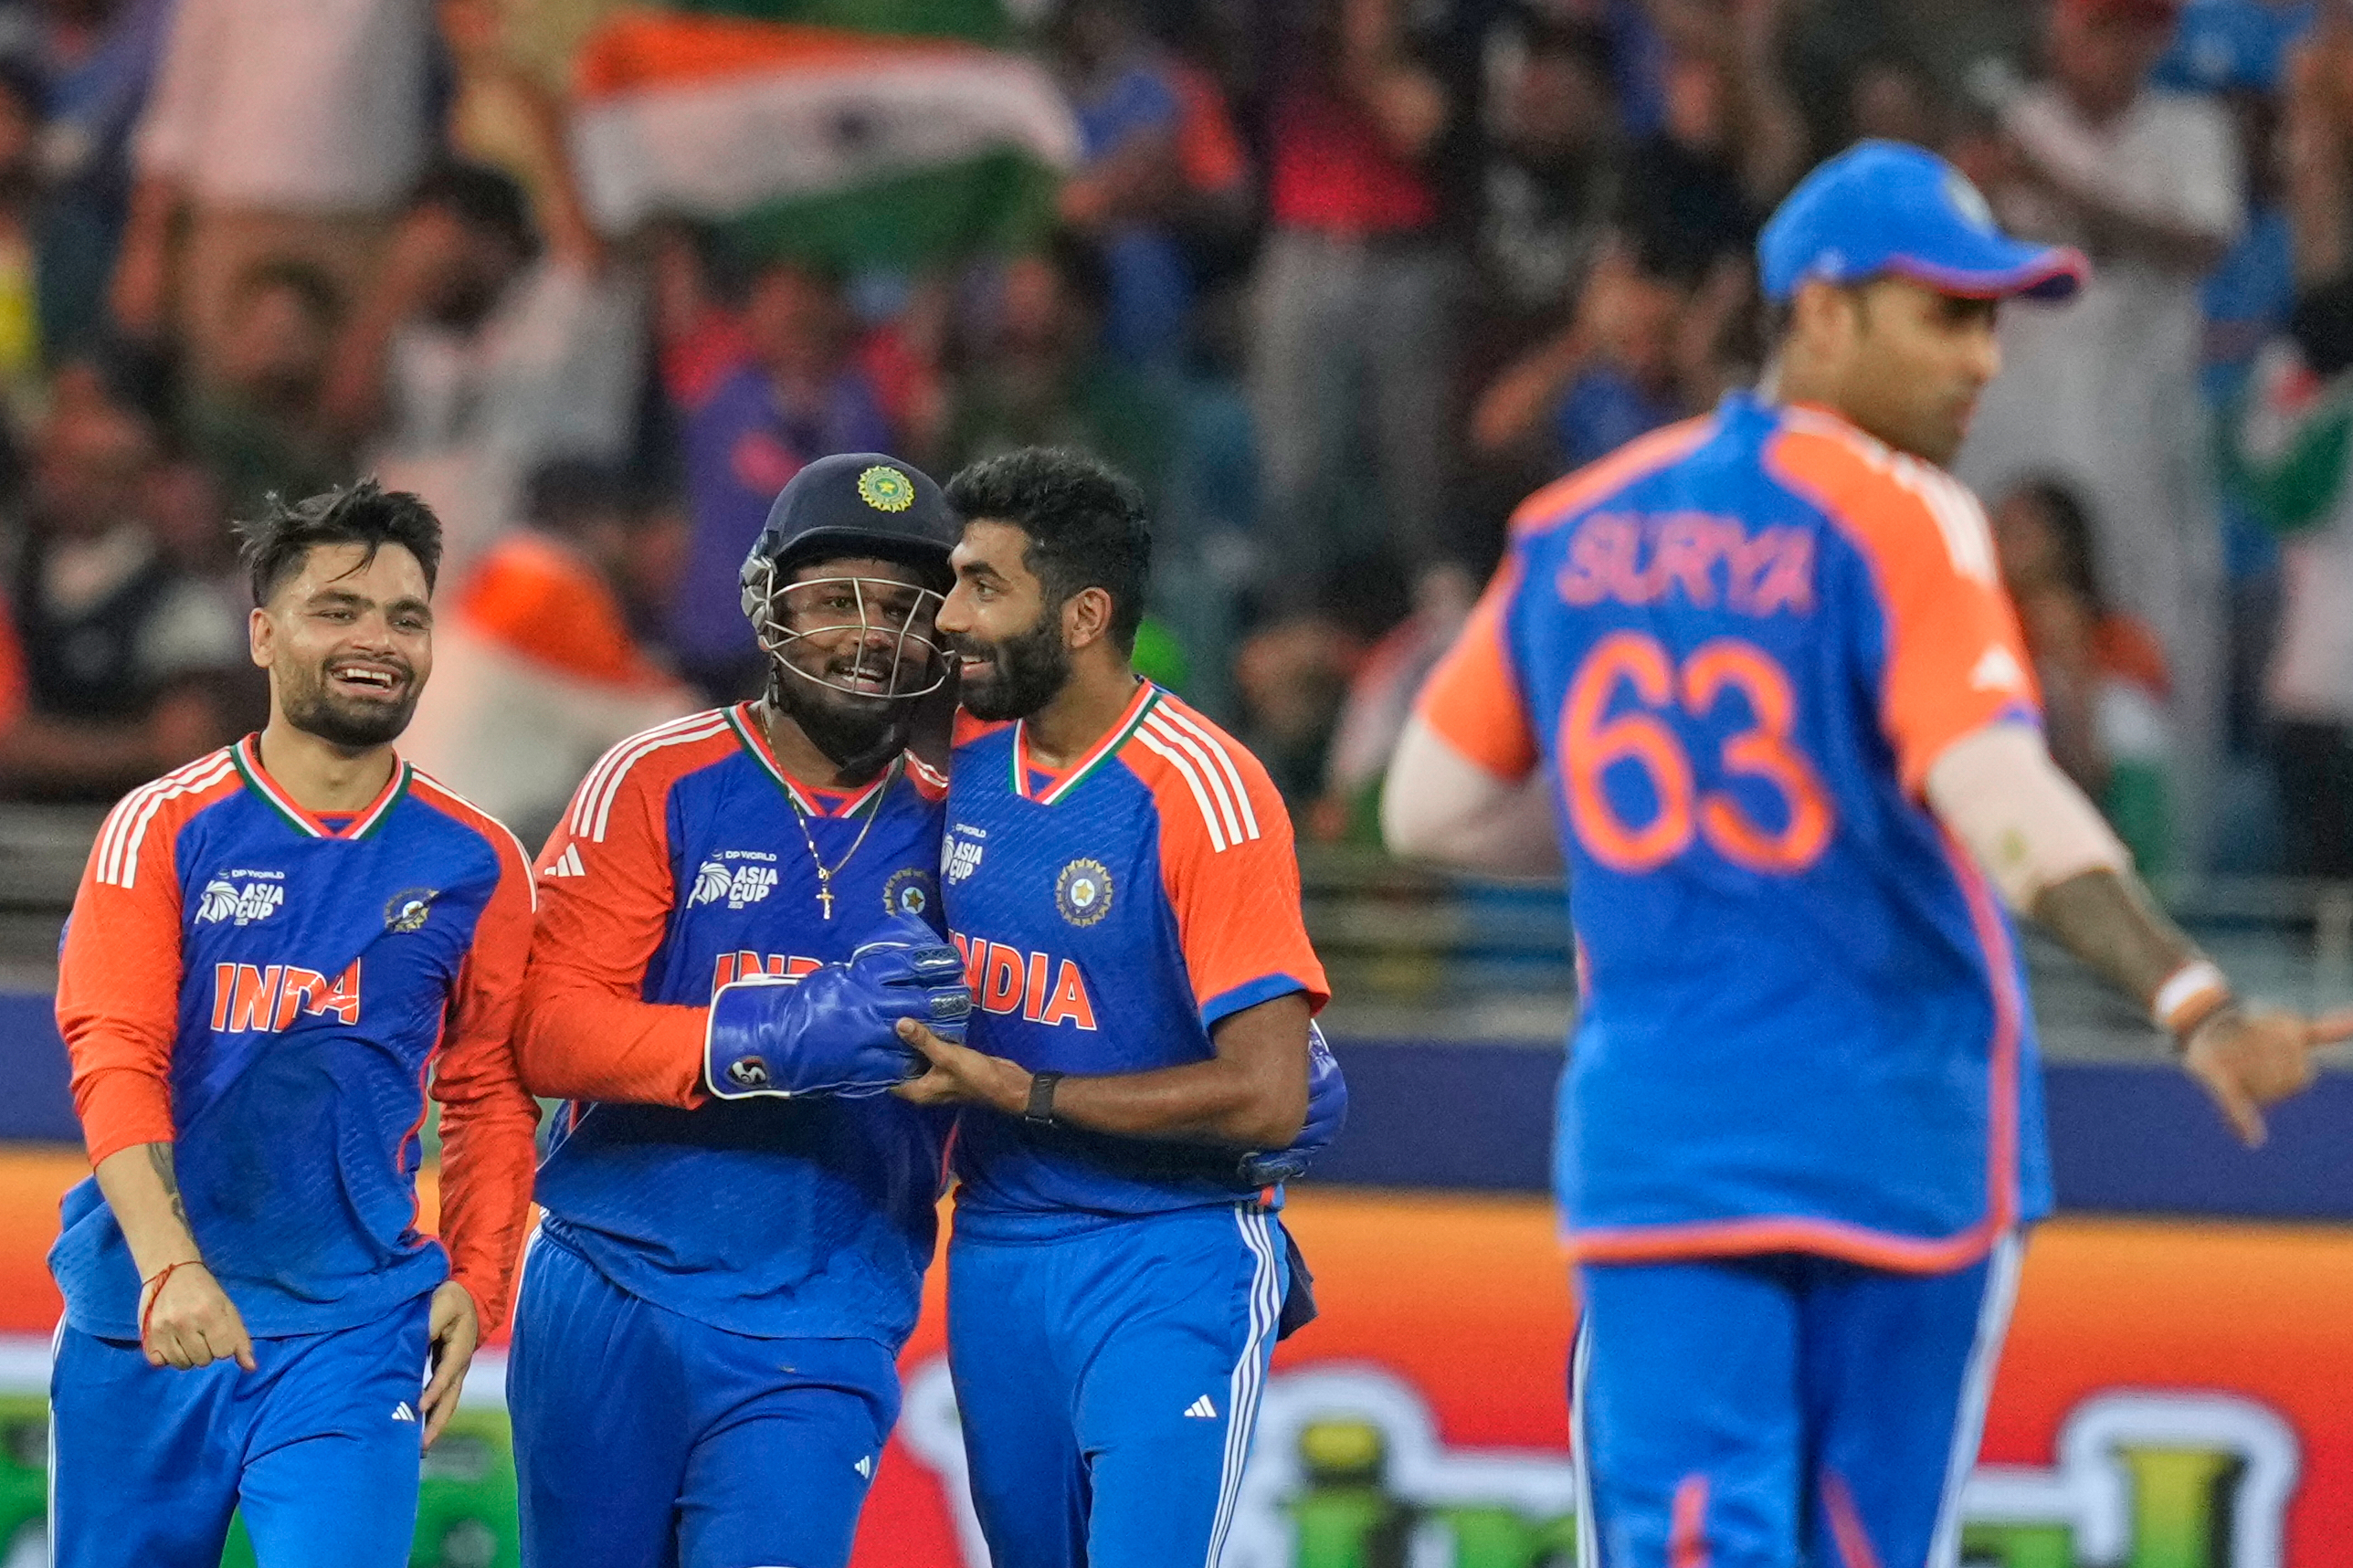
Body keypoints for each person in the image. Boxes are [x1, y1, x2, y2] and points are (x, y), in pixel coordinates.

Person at [1382, 142, 2348, 1568]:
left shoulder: (1578, 525)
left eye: (1992, 319)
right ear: (1821, 311)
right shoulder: (1901, 516)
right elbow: (2006, 798)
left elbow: (1432, 811)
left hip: (1665, 1143)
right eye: (1945, 315)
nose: (1982, 359)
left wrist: (1671, 850)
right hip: (1898, 1146)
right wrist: (2189, 999)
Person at [46, 479, 542, 1568]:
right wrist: (171, 1266)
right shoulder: (163, 827)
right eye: (339, 610)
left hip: (352, 1329)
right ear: (264, 634)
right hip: (147, 1317)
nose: (378, 640)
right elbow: (114, 1055)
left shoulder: (477, 861)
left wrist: (476, 1277)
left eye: (405, 618)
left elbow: (492, 1089)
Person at [505, 452, 972, 1568]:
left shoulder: (971, 832)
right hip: (610, 1277)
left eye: (904, 610)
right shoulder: (657, 777)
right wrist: (763, 1035)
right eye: (834, 601)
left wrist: (1210, 1166)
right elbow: (549, 1030)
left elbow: (1055, 1030)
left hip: (823, 1310)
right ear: (769, 604)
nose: (869, 635)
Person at [890, 446, 1340, 1568]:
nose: (948, 617)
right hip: (995, 1249)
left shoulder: (1207, 791)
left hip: (1166, 1255)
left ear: (1084, 613)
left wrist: (1022, 1090)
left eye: (984, 586)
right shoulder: (969, 760)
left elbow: (1270, 1093)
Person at [396, 458, 696, 847]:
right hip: (475, 844)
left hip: (430, 824)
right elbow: (670, 723)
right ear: (596, 523)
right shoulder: (545, 589)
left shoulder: (498, 571)